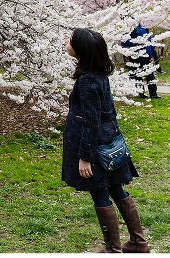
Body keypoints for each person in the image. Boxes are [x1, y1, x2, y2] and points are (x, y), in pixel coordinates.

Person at [62, 28, 149, 253]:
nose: (66, 42)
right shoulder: (98, 75)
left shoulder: (87, 81)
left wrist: (85, 157)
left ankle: (113, 250)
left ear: (81, 49)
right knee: (116, 188)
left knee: (100, 192)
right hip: (107, 143)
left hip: (95, 147)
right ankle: (138, 242)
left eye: (70, 40)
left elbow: (90, 122)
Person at [120, 23, 160, 99]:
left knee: (137, 74)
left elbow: (123, 44)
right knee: (149, 74)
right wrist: (151, 56)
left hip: (132, 55)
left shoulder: (126, 32)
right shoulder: (142, 30)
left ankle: (140, 92)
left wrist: (125, 55)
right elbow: (147, 44)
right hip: (144, 55)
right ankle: (153, 93)